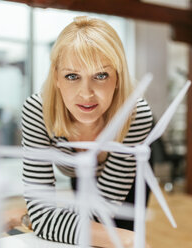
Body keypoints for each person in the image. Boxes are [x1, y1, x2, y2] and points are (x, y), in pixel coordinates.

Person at [22, 16, 153, 247]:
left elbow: (99, 209)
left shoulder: (135, 114)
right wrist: (40, 218)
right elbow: (45, 219)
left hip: (128, 177)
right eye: (72, 76)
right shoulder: (38, 112)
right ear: (56, 78)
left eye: (101, 75)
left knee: (117, 230)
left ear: (117, 78)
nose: (86, 94)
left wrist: (125, 236)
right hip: (79, 175)